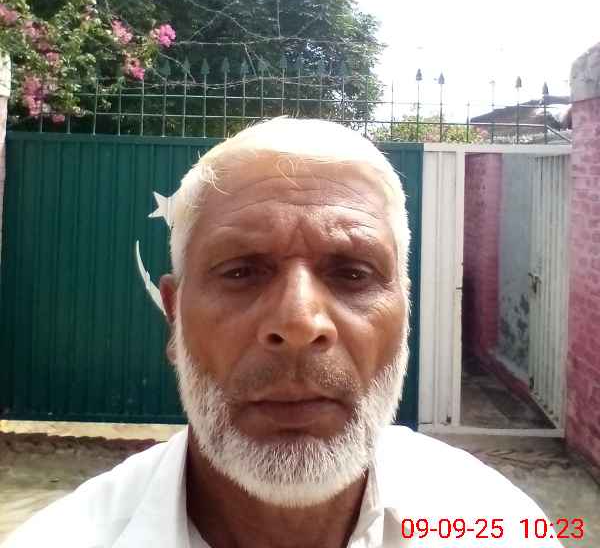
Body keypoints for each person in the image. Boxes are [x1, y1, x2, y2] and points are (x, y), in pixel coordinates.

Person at [5, 117, 558, 547]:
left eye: (353, 273)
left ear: (405, 313)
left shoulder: (496, 525)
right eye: (241, 271)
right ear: (174, 319)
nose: (298, 324)